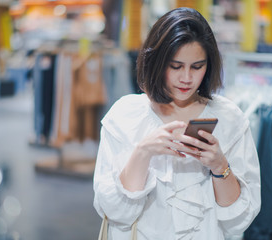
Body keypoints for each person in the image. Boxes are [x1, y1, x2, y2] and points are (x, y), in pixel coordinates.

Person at [93, 7, 261, 240]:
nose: (186, 78)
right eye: (175, 66)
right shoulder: (125, 116)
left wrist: (219, 165)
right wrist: (143, 152)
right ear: (157, 62)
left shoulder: (229, 117)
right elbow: (114, 211)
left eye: (197, 66)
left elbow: (237, 219)